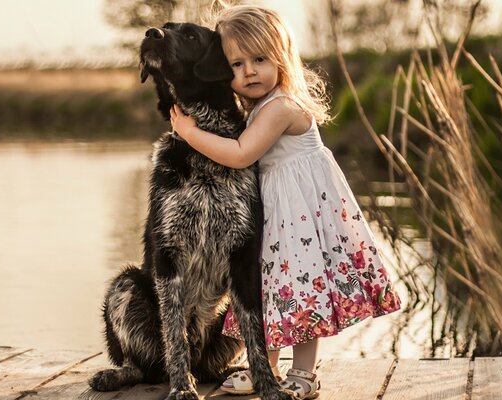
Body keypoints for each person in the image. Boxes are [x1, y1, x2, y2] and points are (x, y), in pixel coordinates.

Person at [170, 5, 401, 399]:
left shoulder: (281, 107)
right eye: (237, 64)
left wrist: (189, 133)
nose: (249, 72)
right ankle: (268, 368)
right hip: (278, 215)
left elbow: (242, 153)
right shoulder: (259, 105)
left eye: (260, 60)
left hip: (301, 218)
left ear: (281, 55)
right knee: (272, 289)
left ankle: (304, 374)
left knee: (302, 288)